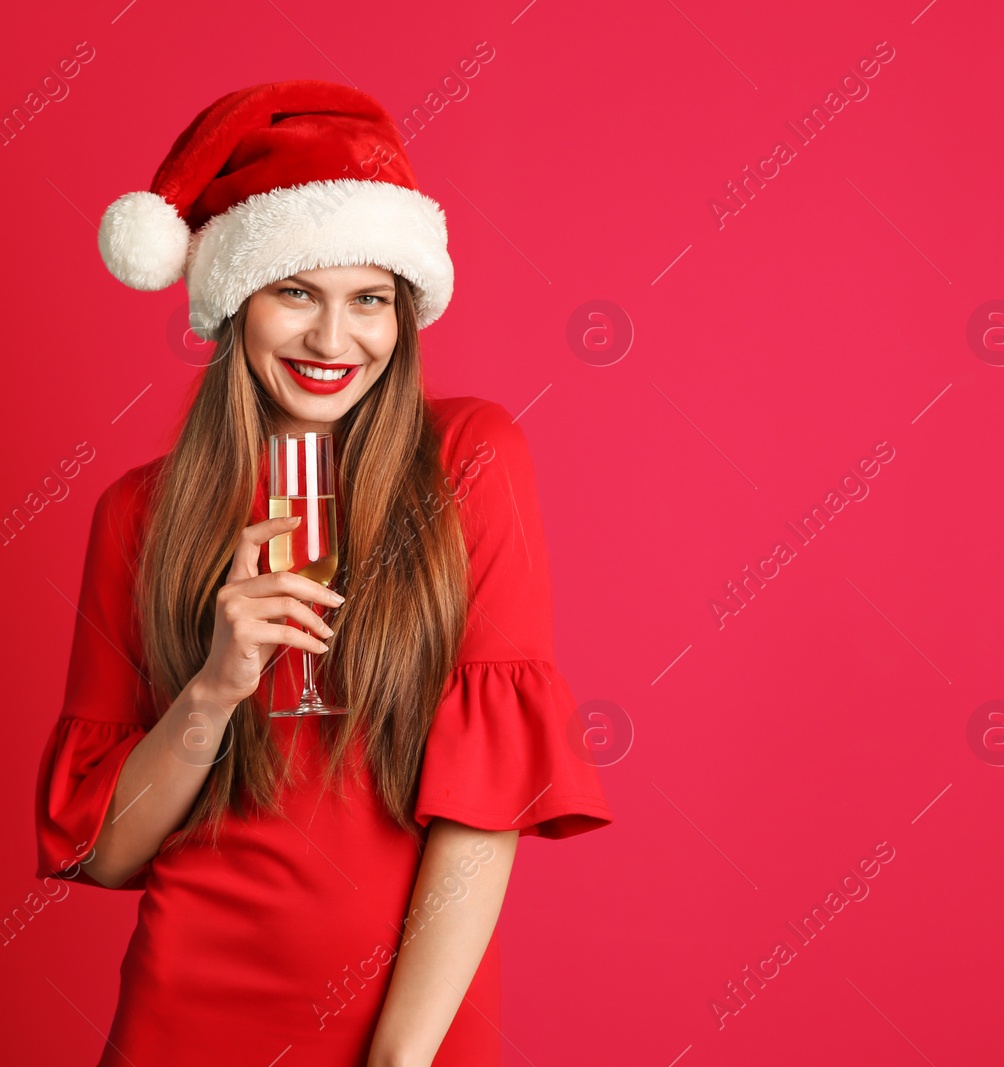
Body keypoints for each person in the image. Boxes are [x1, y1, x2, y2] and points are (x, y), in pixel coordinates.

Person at [33, 79, 613, 1066]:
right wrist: (214, 685)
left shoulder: (468, 457)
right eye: (295, 292)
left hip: (405, 1027)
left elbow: (484, 806)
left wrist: (402, 1053)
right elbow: (111, 848)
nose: (333, 341)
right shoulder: (139, 514)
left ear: (404, 313)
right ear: (231, 302)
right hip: (188, 1011)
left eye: (369, 300)